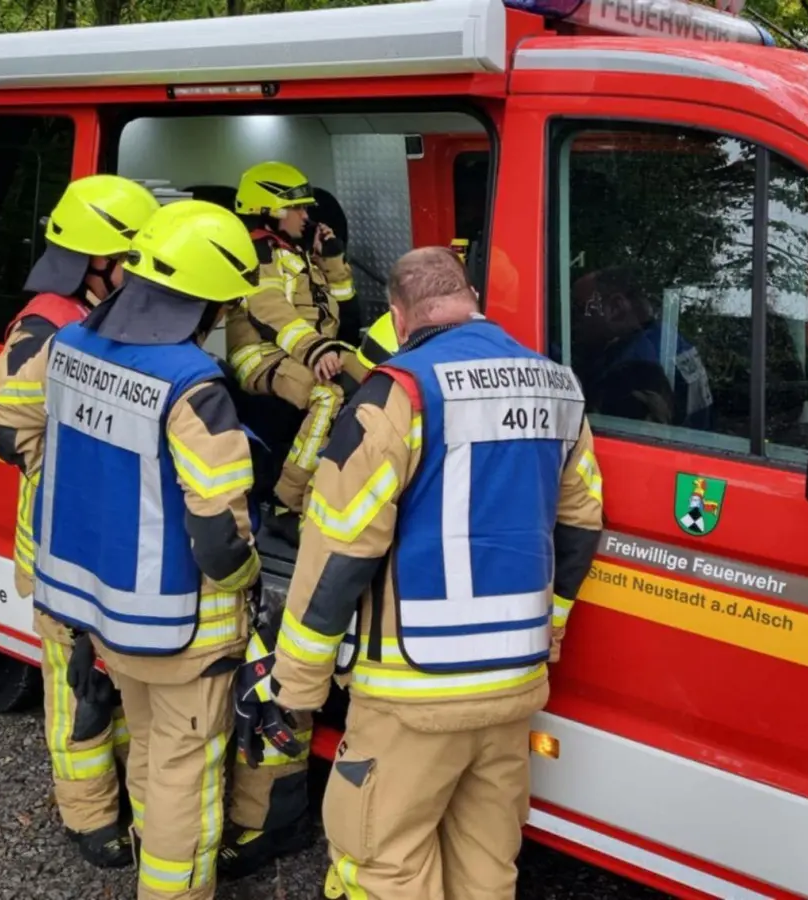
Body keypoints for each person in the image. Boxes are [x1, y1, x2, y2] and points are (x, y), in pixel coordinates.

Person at [235, 247, 607, 900]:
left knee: (381, 863)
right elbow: (579, 527)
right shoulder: (557, 387)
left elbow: (338, 555)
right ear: (472, 301)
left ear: (401, 320)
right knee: (487, 867)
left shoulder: (397, 393)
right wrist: (548, 631)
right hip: (514, 682)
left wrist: (295, 688)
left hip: (412, 693)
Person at [30, 199, 264, 900]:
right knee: (185, 777)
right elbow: (220, 537)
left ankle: (140, 853)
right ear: (204, 303)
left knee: (153, 751)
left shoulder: (70, 347)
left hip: (100, 606)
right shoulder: (193, 386)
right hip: (180, 623)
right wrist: (253, 583)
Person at [0, 173, 160, 870]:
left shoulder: (115, 315)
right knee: (76, 689)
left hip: (116, 544)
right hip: (60, 548)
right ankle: (89, 817)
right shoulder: (47, 324)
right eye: (131, 259)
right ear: (96, 261)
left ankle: (127, 796)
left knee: (117, 678)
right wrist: (65, 461)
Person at [218, 307, 403, 879]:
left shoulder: (384, 421)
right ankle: (272, 815)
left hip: (367, 609)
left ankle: (271, 820)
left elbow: (333, 539)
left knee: (278, 684)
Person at [224, 161, 362, 545]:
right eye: (298, 209)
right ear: (269, 211)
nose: (306, 216)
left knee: (379, 384)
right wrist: (315, 349)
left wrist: (332, 259)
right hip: (260, 354)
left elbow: (346, 313)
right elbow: (268, 308)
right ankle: (287, 507)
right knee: (326, 396)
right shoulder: (258, 252)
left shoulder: (300, 255)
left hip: (302, 351)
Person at [569, 266, 713, 429]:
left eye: (579, 310)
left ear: (615, 308)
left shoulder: (633, 370)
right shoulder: (668, 338)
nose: (573, 323)